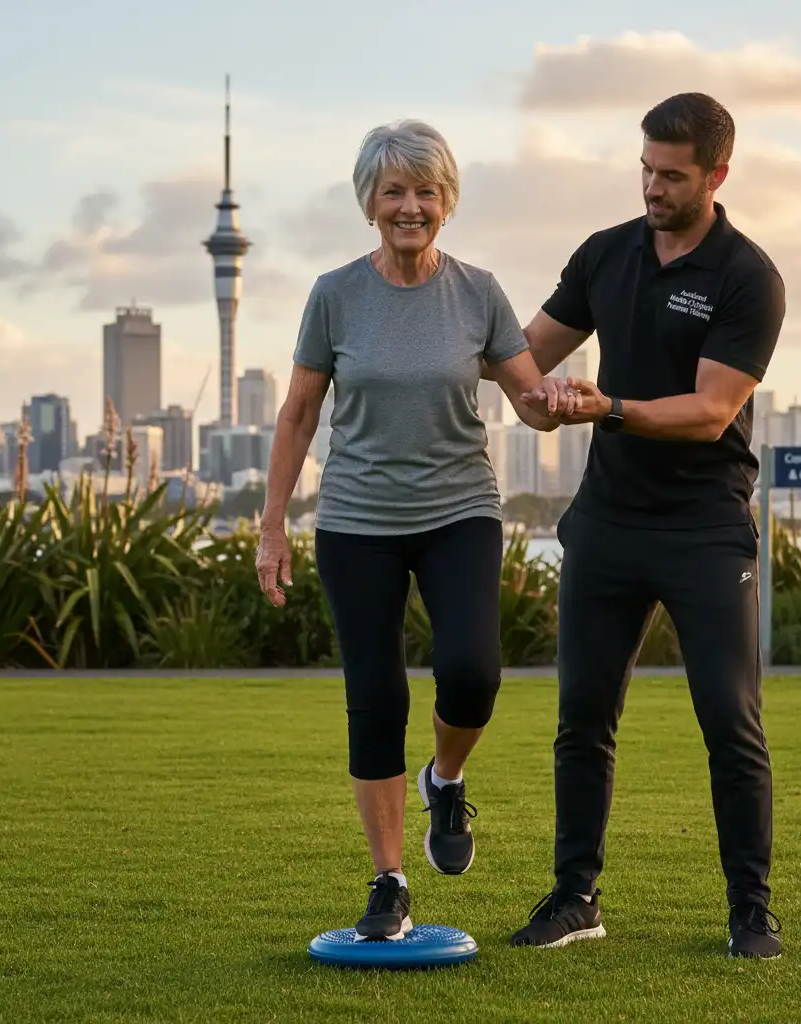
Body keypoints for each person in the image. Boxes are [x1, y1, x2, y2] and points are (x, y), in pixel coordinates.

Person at [255, 119, 573, 942]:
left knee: (472, 673)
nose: (410, 206)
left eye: (425, 191)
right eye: (393, 191)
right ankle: (389, 878)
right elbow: (297, 415)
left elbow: (529, 404)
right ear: (369, 203)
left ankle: (447, 777)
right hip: (358, 519)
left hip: (459, 508)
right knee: (376, 695)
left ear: (447, 202)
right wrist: (272, 526)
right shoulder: (334, 294)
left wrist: (562, 403)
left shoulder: (479, 292)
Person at [508, 93, 786, 958]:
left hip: (705, 529)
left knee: (728, 719)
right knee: (581, 718)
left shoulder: (748, 276)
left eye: (671, 176)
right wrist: (541, 402)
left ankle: (751, 910)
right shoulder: (605, 254)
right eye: (645, 170)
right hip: (608, 526)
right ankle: (574, 898)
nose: (652, 188)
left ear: (717, 175)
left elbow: (709, 412)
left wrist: (604, 407)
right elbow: (525, 362)